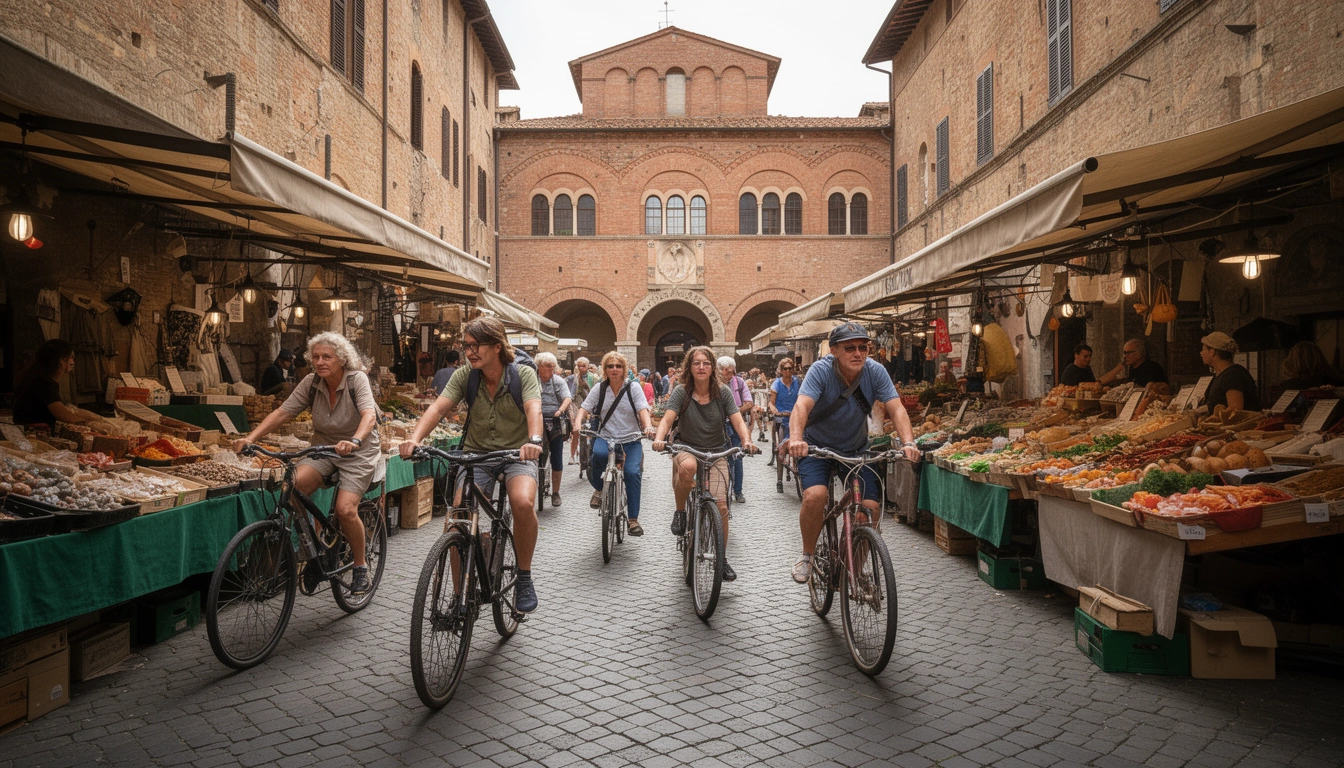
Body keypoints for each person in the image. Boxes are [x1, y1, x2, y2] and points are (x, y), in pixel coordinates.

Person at [400, 316, 544, 613]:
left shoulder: (523, 375)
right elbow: (439, 408)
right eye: (466, 346)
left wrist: (534, 440)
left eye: (475, 345)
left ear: (496, 346)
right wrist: (414, 439)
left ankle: (524, 576)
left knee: (522, 502)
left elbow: (534, 407)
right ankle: (460, 594)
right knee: (458, 516)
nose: (469, 352)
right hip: (475, 454)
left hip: (517, 453)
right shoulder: (466, 375)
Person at [234, 332, 382, 594]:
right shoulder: (311, 383)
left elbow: (369, 415)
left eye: (327, 356)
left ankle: (360, 567)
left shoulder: (356, 379)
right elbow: (283, 412)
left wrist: (356, 440)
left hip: (358, 450)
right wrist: (250, 437)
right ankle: (314, 551)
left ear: (341, 359)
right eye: (316, 357)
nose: (320, 361)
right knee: (292, 488)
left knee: (346, 509)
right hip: (324, 447)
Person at [786, 323, 919, 584]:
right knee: (816, 495)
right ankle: (808, 555)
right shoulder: (821, 371)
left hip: (855, 449)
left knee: (869, 508)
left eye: (863, 347)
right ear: (834, 350)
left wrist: (909, 443)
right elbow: (801, 406)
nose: (858, 353)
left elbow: (897, 408)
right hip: (817, 448)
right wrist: (796, 439)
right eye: (850, 348)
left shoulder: (875, 371)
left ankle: (854, 572)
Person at [652, 347, 758, 581]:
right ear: (689, 367)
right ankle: (680, 512)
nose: (701, 367)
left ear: (713, 368)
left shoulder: (723, 392)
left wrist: (747, 441)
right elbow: (668, 419)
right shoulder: (682, 392)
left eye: (706, 363)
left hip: (717, 451)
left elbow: (738, 421)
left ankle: (721, 559)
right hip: (686, 447)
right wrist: (660, 439)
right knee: (688, 468)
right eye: (696, 363)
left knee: (721, 507)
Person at [577, 352, 655, 536]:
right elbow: (584, 407)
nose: (614, 369)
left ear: (624, 369)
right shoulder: (600, 388)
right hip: (606, 436)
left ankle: (633, 520)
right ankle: (598, 488)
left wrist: (649, 426)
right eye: (610, 366)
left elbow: (643, 409)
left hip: (631, 438)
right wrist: (577, 421)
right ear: (605, 369)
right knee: (599, 456)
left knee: (632, 473)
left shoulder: (633, 388)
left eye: (618, 366)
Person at [13, 339, 112, 431]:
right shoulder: (43, 383)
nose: (73, 362)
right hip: (30, 434)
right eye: (71, 357)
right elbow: (62, 414)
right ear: (62, 360)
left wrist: (99, 420)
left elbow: (67, 410)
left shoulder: (43, 379)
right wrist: (93, 427)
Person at [534, 352, 572, 508]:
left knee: (557, 458)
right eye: (546, 367)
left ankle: (555, 493)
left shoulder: (559, 382)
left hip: (555, 421)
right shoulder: (533, 381)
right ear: (538, 367)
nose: (549, 370)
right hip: (537, 422)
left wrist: (561, 410)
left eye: (552, 367)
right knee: (535, 456)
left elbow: (567, 398)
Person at [718, 357, 753, 505]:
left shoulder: (739, 382)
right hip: (719, 425)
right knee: (721, 458)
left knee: (737, 458)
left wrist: (736, 412)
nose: (728, 375)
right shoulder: (715, 384)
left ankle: (738, 491)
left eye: (731, 372)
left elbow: (749, 403)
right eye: (725, 372)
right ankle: (723, 490)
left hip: (735, 424)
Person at [1199, 332, 1261, 412]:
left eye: (1203, 349)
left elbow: (1235, 410)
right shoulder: (1221, 375)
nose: (1201, 353)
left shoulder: (1233, 376)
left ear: (1212, 352)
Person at [1098, 338, 1167, 387]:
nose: (1125, 356)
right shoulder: (1132, 367)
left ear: (1139, 354)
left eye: (1128, 353)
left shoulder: (1151, 368)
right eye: (1124, 353)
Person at [566, 357, 594, 464]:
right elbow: (569, 394)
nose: (581, 368)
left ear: (588, 366)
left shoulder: (593, 378)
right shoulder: (572, 378)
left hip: (590, 406)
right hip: (576, 405)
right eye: (579, 366)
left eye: (583, 366)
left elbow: (594, 392)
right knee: (575, 432)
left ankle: (590, 454)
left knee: (591, 431)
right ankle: (572, 455)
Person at [768, 358, 801, 437]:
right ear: (781, 371)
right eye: (785, 369)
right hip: (781, 416)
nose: (787, 371)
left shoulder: (798, 382)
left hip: (795, 414)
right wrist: (774, 410)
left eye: (790, 368)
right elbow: (772, 403)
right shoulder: (777, 384)